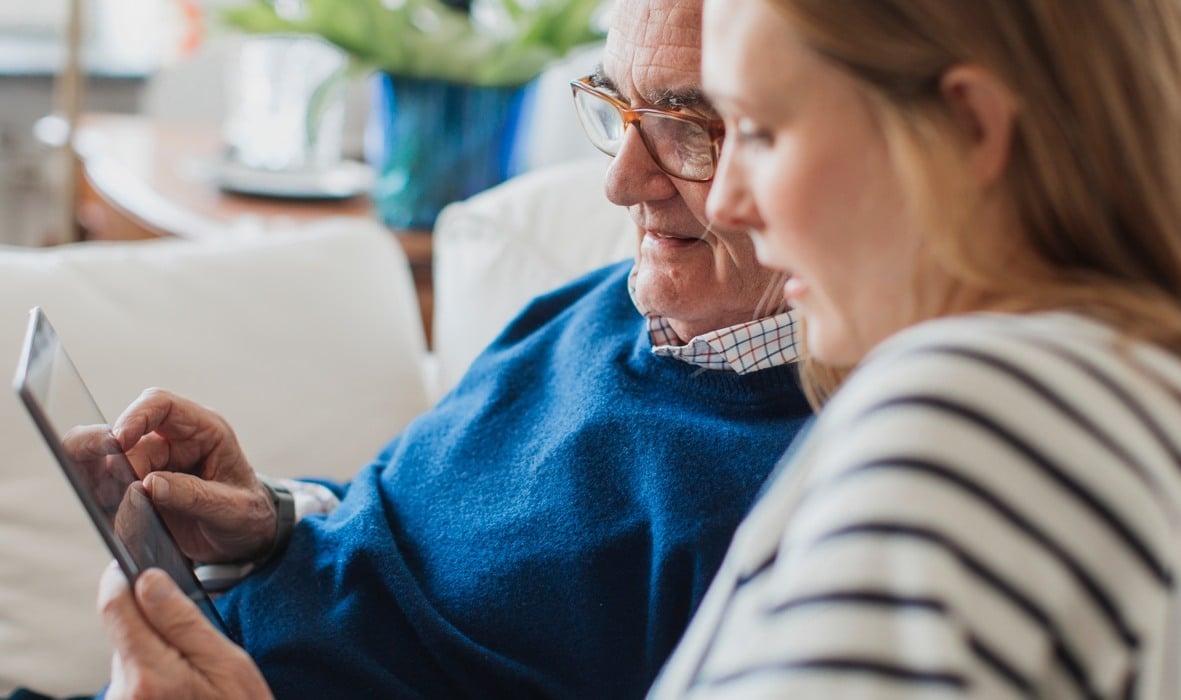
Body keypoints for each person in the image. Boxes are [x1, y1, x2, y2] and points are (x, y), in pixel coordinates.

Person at [88, 0, 813, 697]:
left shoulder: (796, 495)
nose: (620, 182)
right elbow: (411, 531)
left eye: (685, 128)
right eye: (618, 107)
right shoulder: (602, 302)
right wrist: (269, 516)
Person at [648, 0, 1181, 697]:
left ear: (969, 124)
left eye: (758, 130)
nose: (725, 201)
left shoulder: (981, 411)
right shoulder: (1141, 402)